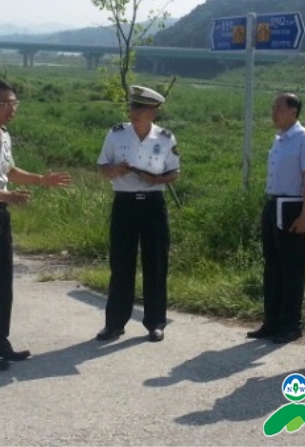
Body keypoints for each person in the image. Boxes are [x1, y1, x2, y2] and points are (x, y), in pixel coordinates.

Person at [0, 79, 71, 372]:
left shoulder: (3, 137)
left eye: (14, 103)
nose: (12, 109)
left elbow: (10, 170)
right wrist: (6, 195)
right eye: (5, 103)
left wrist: (42, 180)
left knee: (3, 283)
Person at [95, 85, 180, 343]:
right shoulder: (116, 134)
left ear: (153, 112)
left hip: (153, 203)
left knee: (155, 264)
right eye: (132, 107)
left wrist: (157, 179)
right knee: (121, 265)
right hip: (125, 204)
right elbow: (102, 167)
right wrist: (116, 170)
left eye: (140, 108)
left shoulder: (165, 138)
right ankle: (114, 324)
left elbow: (175, 172)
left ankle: (155, 322)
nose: (134, 112)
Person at [247, 93, 305, 344]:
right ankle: (272, 321)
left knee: (291, 268)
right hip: (274, 203)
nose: (273, 112)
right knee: (273, 266)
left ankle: (292, 324)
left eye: (278, 107)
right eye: (273, 107)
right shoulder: (279, 139)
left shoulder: (304, 138)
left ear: (293, 111)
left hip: (293, 206)